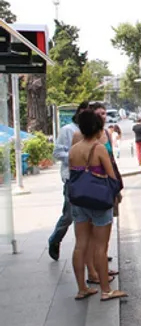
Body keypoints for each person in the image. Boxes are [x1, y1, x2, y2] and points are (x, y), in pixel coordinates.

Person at [67, 109, 127, 301]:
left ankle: (81, 288)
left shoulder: (74, 149)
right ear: (99, 128)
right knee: (101, 246)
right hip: (99, 202)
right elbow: (111, 177)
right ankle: (106, 289)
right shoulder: (98, 148)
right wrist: (116, 193)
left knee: (80, 245)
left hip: (79, 200)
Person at [48, 101, 89, 261]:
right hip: (72, 179)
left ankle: (92, 253)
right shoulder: (68, 130)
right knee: (69, 215)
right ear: (78, 113)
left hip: (90, 180)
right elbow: (57, 153)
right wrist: (75, 156)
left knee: (90, 218)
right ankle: (55, 239)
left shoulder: (91, 130)